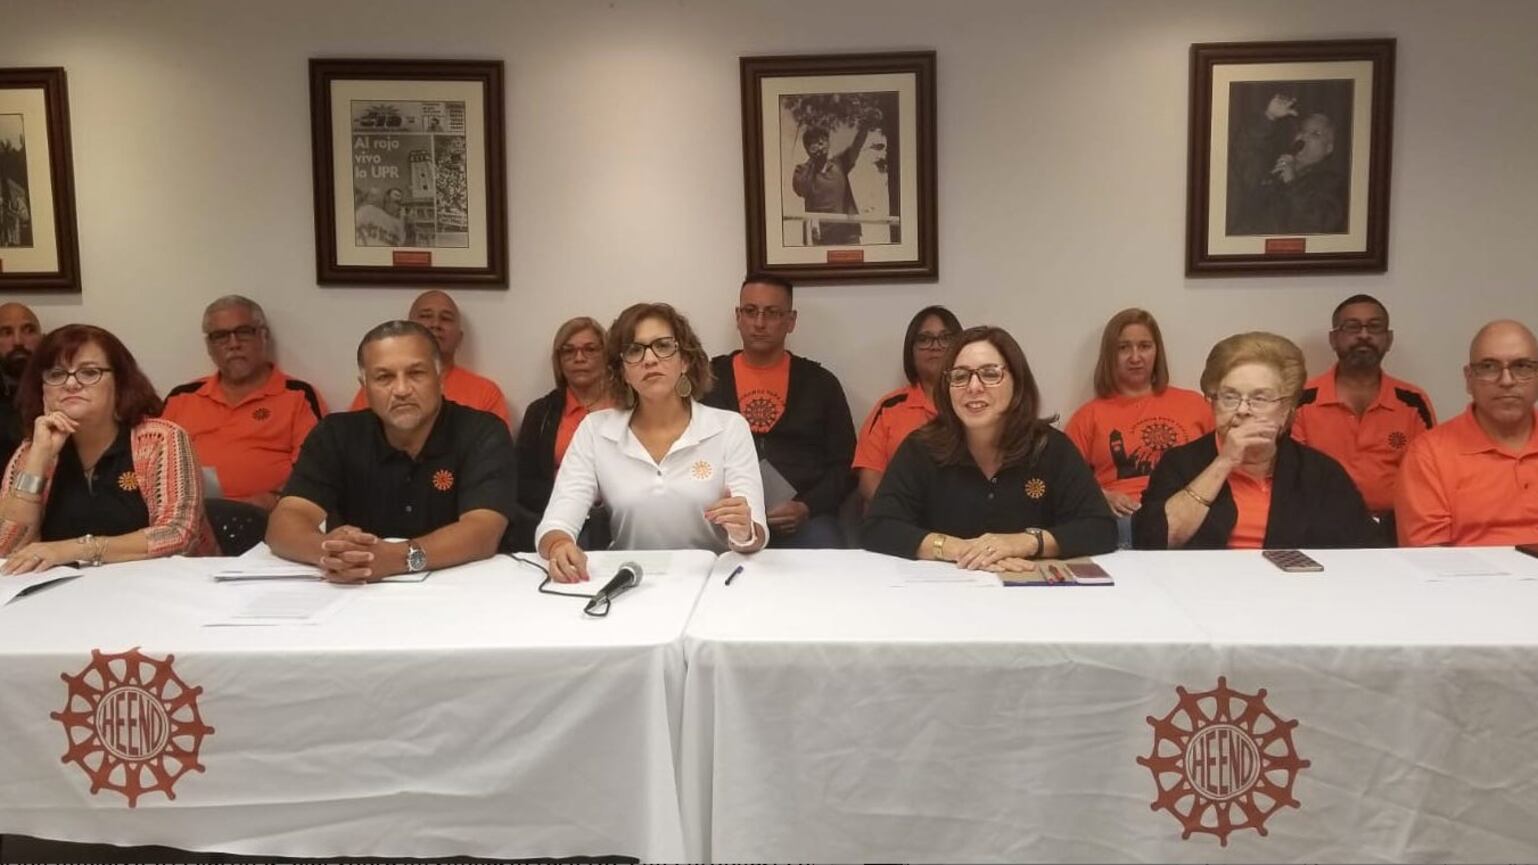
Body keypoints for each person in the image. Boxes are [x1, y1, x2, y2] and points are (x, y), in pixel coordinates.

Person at [267, 321, 516, 583]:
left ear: (440, 378)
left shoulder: (482, 432)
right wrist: (331, 553)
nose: (401, 390)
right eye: (384, 377)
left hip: (459, 587)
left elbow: (483, 531)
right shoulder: (335, 434)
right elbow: (286, 520)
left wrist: (398, 558)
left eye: (416, 373)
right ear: (365, 386)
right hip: (355, 589)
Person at [537, 302, 767, 582]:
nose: (649, 359)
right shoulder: (595, 430)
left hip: (715, 579)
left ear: (685, 360)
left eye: (663, 346)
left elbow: (756, 532)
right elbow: (556, 520)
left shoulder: (729, 427)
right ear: (622, 371)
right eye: (634, 350)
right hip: (631, 579)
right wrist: (559, 545)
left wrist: (744, 531)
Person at [863, 326, 1116, 569]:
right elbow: (879, 525)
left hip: (1027, 588)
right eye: (960, 376)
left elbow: (1100, 527)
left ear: (1017, 382)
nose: (973, 387)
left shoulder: (1051, 448)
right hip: (945, 587)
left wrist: (1023, 543)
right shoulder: (921, 448)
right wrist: (957, 549)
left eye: (990, 374)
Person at [0, 325, 217, 573]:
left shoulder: (161, 439)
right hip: (63, 591)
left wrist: (73, 549)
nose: (70, 384)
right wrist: (38, 459)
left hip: (163, 586)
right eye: (56, 374)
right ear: (42, 388)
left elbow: (178, 533)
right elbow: (6, 550)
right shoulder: (31, 450)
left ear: (120, 382)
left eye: (89, 372)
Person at [1133, 332, 1377, 550]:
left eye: (1259, 398)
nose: (1242, 410)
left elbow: (1362, 552)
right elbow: (1152, 541)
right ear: (1213, 403)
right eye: (1230, 397)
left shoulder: (1320, 473)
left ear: (1286, 410)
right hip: (1203, 584)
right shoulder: (1179, 463)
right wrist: (1224, 462)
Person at [703, 273, 855, 548]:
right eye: (750, 311)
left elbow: (845, 465)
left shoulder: (820, 383)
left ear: (791, 320)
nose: (759, 323)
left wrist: (807, 506)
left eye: (772, 313)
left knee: (826, 547)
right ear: (738, 316)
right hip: (725, 516)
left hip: (805, 521)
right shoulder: (708, 380)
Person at [161, 296, 327, 510]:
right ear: (209, 346)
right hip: (190, 515)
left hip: (271, 515)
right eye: (221, 336)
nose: (233, 344)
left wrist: (276, 498)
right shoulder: (182, 397)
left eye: (243, 332)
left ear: (264, 336)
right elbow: (153, 465)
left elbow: (317, 470)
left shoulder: (298, 395)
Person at [1065, 308, 1213, 547]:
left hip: (1191, 511)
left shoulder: (1195, 404)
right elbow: (1065, 483)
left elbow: (1224, 462)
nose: (1135, 357)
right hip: (1126, 519)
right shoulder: (1088, 416)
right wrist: (1103, 496)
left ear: (1157, 351)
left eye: (1144, 346)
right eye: (1123, 348)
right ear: (1110, 354)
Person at [1292, 294, 1435, 537]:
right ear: (1334, 339)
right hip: (1320, 527)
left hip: (1396, 528)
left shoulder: (1413, 402)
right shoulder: (1302, 399)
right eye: (1352, 327)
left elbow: (1429, 473)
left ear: (1388, 339)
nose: (1364, 335)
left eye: (1374, 327)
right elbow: (1291, 475)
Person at [1395, 320, 1538, 546]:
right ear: (1469, 379)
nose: (1507, 381)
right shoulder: (1429, 454)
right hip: (1470, 570)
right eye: (1489, 367)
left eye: (1522, 366)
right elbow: (1429, 557)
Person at [514, 316, 613, 550]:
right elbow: (523, 480)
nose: (579, 358)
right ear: (558, 361)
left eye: (590, 349)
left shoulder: (629, 407)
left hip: (618, 520)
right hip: (556, 519)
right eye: (568, 351)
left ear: (606, 355)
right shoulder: (541, 412)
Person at [347, 290, 513, 426]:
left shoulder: (486, 393)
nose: (435, 324)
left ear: (459, 338)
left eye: (446, 318)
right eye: (426, 316)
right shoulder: (377, 387)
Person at [853, 305, 962, 503]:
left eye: (945, 338)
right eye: (924, 339)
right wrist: (899, 512)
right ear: (910, 351)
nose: (935, 346)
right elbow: (869, 480)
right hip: (900, 512)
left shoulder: (974, 403)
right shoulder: (889, 408)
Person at [1228, 93, 1348, 236]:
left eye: (1315, 134)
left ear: (1329, 148)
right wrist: (1269, 116)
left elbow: (1320, 223)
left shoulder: (1333, 183)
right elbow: (1243, 153)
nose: (1304, 137)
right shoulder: (1273, 165)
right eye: (1302, 131)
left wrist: (1292, 183)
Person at [792, 114, 875, 246]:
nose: (820, 145)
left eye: (823, 140)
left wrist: (865, 126)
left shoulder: (840, 163)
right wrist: (812, 160)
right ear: (807, 148)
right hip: (821, 236)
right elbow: (801, 190)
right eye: (815, 142)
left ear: (828, 143)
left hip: (848, 233)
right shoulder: (802, 170)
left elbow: (856, 146)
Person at [0, 302, 44, 465]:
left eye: (28, 330)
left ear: (42, 338)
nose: (18, 341)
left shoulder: (61, 389)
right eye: (6, 333)